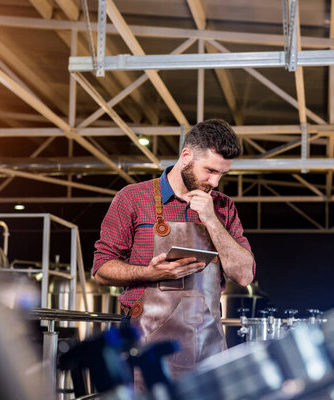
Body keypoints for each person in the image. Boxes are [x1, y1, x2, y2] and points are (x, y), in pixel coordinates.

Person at [92, 119, 255, 382]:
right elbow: (101, 269)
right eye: (210, 171)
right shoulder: (132, 198)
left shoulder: (223, 207)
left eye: (222, 174)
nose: (215, 182)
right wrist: (149, 272)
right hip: (144, 350)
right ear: (186, 156)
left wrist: (212, 220)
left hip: (207, 352)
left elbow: (244, 275)